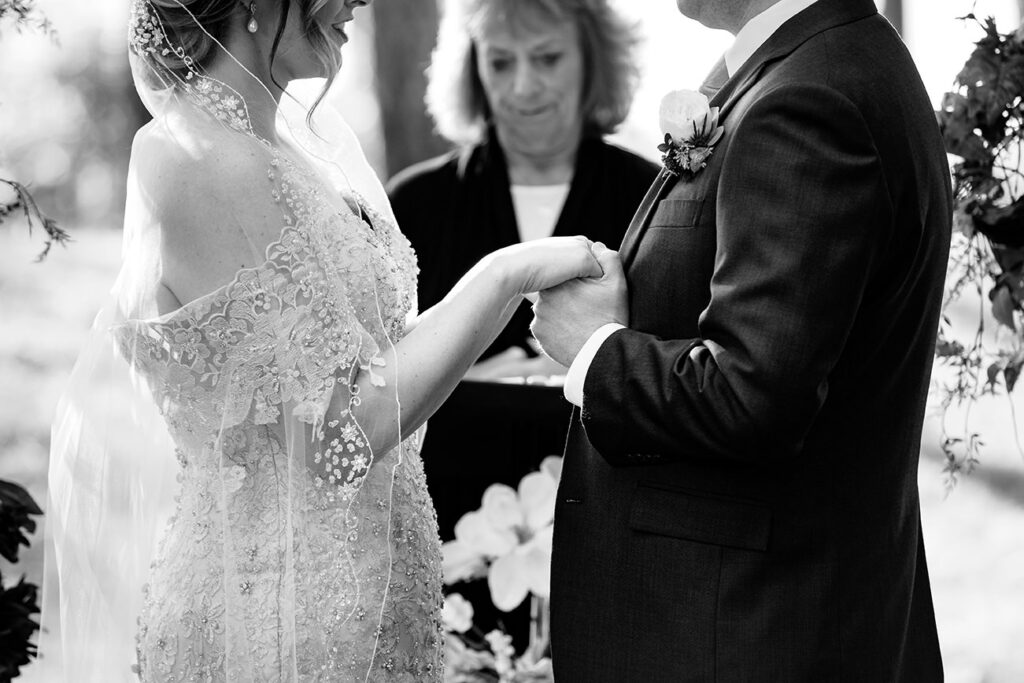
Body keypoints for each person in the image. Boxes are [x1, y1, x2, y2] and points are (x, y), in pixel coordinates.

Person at [38, 0, 601, 681]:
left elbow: (360, 370)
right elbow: (334, 438)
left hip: (367, 601)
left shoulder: (278, 149)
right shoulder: (192, 155)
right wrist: (505, 272)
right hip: (281, 622)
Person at [531, 0, 950, 680]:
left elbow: (750, 395)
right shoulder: (822, 64)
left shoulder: (812, 98)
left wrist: (596, 348)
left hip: (749, 635)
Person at [385, 0, 657, 640]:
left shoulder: (654, 197)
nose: (523, 86)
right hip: (448, 543)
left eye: (548, 58)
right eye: (500, 62)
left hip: (608, 541)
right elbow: (378, 388)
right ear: (472, 69)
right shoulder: (414, 203)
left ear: (593, 61)